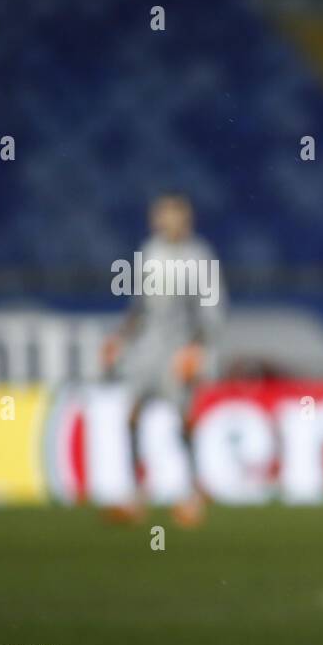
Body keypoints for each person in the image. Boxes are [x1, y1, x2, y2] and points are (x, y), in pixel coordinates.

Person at [102, 192, 222, 527]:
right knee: (133, 417)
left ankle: (191, 494)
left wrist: (196, 350)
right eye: (161, 215)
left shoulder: (200, 257)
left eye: (171, 215)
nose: (164, 221)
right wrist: (121, 337)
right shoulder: (149, 252)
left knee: (182, 420)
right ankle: (135, 495)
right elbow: (140, 306)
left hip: (179, 348)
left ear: (185, 220)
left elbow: (210, 312)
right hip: (147, 350)